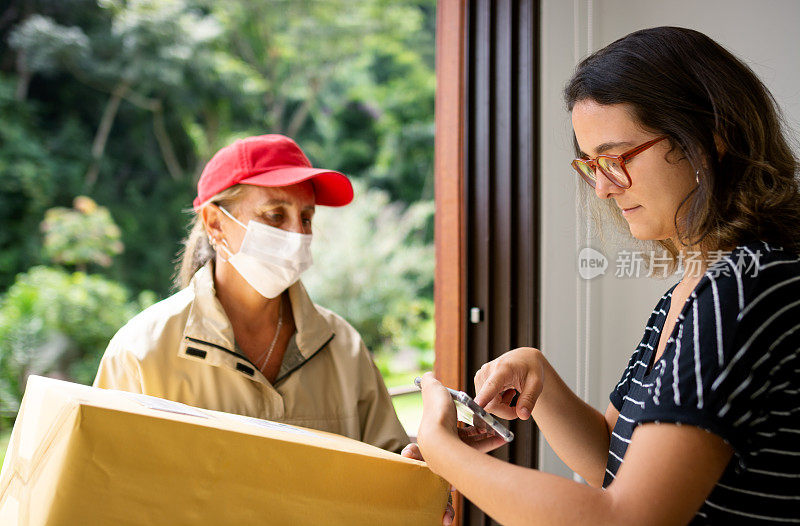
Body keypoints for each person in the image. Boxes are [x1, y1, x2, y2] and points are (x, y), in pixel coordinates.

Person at [405, 27, 800, 524]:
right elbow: (610, 463)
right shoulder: (692, 291)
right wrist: (540, 378)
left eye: (616, 159)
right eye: (592, 166)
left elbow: (626, 517)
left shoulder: (744, 291)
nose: (603, 190)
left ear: (711, 137)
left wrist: (446, 454)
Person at [94, 134, 409, 453]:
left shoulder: (345, 350)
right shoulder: (141, 352)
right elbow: (103, 482)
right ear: (215, 224)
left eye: (306, 218)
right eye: (275, 215)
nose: (298, 234)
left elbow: (392, 467)